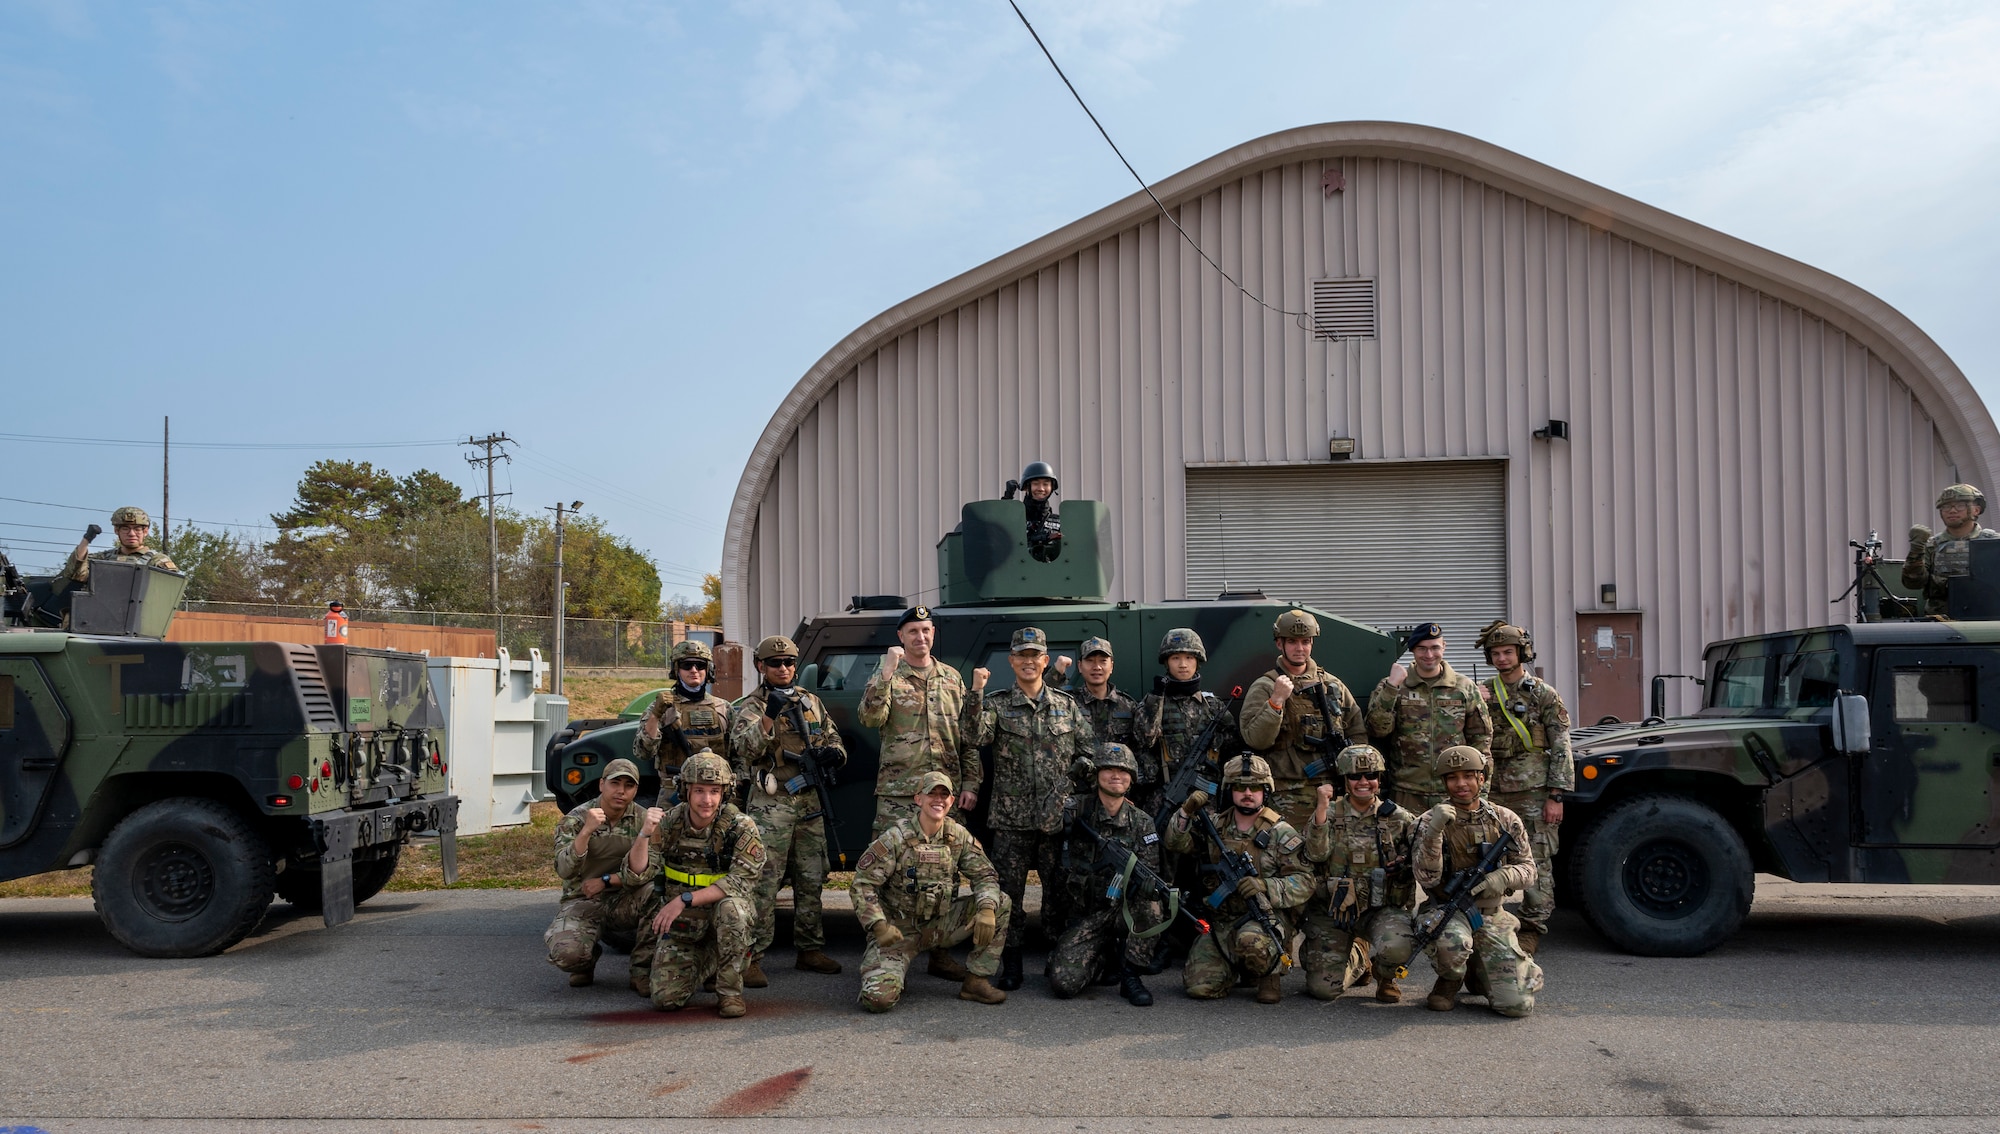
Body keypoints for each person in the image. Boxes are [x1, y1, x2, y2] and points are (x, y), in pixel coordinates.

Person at [961, 626, 1095, 990]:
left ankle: (1057, 958)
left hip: (1055, 821)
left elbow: (1088, 751)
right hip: (1011, 819)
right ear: (1012, 661)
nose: (1028, 662)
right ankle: (1012, 963)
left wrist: (1075, 778)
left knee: (1058, 895)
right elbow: (973, 736)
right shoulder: (998, 703)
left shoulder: (1066, 706)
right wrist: (976, 692)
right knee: (1009, 896)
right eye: (1021, 655)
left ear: (1045, 660)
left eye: (1035, 655)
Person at [857, 604, 978, 981]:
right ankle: (884, 949)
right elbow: (870, 718)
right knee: (889, 875)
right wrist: (887, 672)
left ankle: (940, 953)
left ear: (932, 634)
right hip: (899, 793)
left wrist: (971, 783)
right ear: (901, 637)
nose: (920, 637)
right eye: (913, 631)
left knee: (945, 873)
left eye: (926, 630)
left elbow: (968, 738)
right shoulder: (888, 675)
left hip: (944, 795)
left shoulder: (952, 679)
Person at [727, 634, 849, 983]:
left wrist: (835, 753)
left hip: (809, 800)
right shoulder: (751, 706)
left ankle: (809, 949)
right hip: (771, 804)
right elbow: (745, 749)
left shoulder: (811, 701)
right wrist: (769, 715)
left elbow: (832, 735)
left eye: (789, 662)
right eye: (775, 663)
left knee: (811, 879)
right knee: (764, 882)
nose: (784, 668)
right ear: (761, 667)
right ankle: (752, 956)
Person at [848, 772, 1011, 1012]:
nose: (938, 799)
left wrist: (986, 908)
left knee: (1001, 902)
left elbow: (985, 875)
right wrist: (878, 925)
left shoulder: (957, 836)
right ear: (918, 799)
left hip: (940, 925)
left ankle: (976, 981)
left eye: (944, 795)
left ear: (952, 801)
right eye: (931, 794)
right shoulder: (896, 838)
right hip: (898, 931)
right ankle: (891, 972)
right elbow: (863, 884)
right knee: (878, 1000)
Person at [1161, 754, 1314, 1004]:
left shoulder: (1281, 832)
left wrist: (1265, 885)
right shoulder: (1215, 827)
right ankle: (1236, 967)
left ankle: (1268, 971)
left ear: (1265, 791)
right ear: (1229, 790)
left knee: (1251, 942)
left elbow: (1306, 882)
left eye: (1254, 787)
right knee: (1199, 987)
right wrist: (1185, 813)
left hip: (1264, 920)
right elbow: (1175, 843)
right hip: (1222, 921)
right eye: (1240, 787)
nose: (1247, 793)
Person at [630, 750, 765, 1018]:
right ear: (686, 791)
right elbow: (638, 872)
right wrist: (644, 834)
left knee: (734, 911)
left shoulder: (740, 826)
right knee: (665, 1000)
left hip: (719, 915)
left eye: (714, 791)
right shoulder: (669, 822)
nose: (707, 799)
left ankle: (729, 992)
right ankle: (709, 960)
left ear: (724, 793)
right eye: (699, 790)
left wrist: (683, 899)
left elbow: (742, 879)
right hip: (685, 924)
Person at [1131, 626, 1236, 970]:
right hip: (1166, 799)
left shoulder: (1212, 705)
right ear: (1166, 662)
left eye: (1188, 658)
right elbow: (1145, 739)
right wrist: (1159, 698)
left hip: (1207, 801)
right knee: (1165, 874)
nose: (1182, 665)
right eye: (1176, 658)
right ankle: (1163, 939)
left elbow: (1233, 745)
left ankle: (1207, 939)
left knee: (1205, 870)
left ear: (1198, 662)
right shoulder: (1150, 702)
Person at [1414, 745, 1542, 1018]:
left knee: (1516, 1006)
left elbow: (1529, 870)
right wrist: (1434, 832)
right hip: (1448, 908)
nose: (1461, 784)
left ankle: (1478, 972)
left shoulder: (1505, 819)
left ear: (1481, 779)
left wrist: (1503, 876)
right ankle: (1450, 979)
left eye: (1469, 776)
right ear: (1444, 783)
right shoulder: (1428, 821)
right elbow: (1427, 877)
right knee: (1450, 944)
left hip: (1492, 914)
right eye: (1452, 778)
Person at [1475, 620, 1572, 955]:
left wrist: (1556, 795)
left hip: (1533, 790)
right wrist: (1474, 698)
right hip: (1493, 790)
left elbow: (1561, 745)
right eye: (1496, 653)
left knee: (1538, 859)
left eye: (1508, 652)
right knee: (1488, 858)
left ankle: (1532, 927)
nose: (1502, 658)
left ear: (1521, 653)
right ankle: (1492, 922)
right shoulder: (1484, 692)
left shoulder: (1543, 694)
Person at [1299, 745, 1419, 1002]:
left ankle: (1385, 975)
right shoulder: (1329, 813)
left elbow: (1420, 860)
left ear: (1379, 778)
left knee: (1398, 946)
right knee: (1323, 990)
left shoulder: (1399, 818)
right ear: (1345, 779)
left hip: (1381, 909)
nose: (1364, 782)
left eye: (1371, 775)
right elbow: (1315, 855)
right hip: (1334, 910)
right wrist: (1321, 808)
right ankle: (1358, 958)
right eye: (1355, 776)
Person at [1049, 744, 1166, 1006]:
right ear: (1097, 774)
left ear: (1132, 779)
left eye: (1123, 771)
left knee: (1151, 905)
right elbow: (1047, 821)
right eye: (1109, 769)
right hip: (1086, 913)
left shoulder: (1141, 821)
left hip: (1121, 911)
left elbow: (1150, 869)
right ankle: (1102, 957)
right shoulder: (1077, 808)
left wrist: (1145, 888)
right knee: (1063, 984)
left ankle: (1130, 975)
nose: (1117, 776)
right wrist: (1068, 779)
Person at [1238, 609, 1366, 831]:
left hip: (1334, 791)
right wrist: (1276, 700)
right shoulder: (1266, 686)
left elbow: (1357, 732)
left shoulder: (1333, 685)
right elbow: (1255, 739)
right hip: (1288, 795)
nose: (1300, 648)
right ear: (1280, 644)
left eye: (1305, 642)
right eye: (1292, 642)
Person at [544, 758, 660, 993]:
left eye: (629, 786)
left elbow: (652, 869)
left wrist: (608, 881)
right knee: (567, 955)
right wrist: (586, 832)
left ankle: (641, 971)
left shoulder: (644, 820)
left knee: (657, 895)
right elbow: (564, 869)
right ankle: (585, 960)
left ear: (636, 790)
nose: (621, 791)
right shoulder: (575, 819)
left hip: (625, 900)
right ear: (601, 785)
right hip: (582, 901)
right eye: (615, 783)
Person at [1366, 622, 1490, 814]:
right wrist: (1391, 688)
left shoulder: (1464, 687)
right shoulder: (1395, 685)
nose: (1429, 655)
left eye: (1434, 648)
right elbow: (1377, 730)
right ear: (1413, 650)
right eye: (1422, 649)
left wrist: (1481, 792)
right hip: (1407, 791)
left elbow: (1481, 741)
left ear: (1444, 647)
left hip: (1453, 790)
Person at [633, 640, 733, 789]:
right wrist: (656, 715)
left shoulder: (723, 708)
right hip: (674, 790)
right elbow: (643, 753)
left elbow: (738, 755)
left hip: (714, 793)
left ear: (709, 669)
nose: (694, 670)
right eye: (687, 665)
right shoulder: (662, 707)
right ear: (677, 669)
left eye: (700, 665)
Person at [1904, 484, 2000, 616]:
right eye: (1946, 506)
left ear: (1976, 510)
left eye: (1960, 505)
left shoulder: (1994, 542)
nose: (1952, 511)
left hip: (1987, 619)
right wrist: (1916, 549)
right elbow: (1912, 583)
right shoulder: (1931, 546)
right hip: (1941, 621)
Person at [1067, 636, 1145, 799]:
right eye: (1090, 661)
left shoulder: (1128, 706)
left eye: (1103, 661)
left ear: (1111, 667)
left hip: (1118, 796)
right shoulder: (1067, 704)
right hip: (1079, 795)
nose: (1097, 667)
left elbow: (1139, 751)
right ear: (1080, 666)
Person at [57, 506, 178, 585]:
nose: (131, 534)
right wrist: (87, 539)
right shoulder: (103, 559)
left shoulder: (158, 561)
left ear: (145, 531)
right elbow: (74, 573)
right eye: (125, 529)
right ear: (116, 531)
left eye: (137, 529)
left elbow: (169, 591)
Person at [1019, 460, 1063, 562]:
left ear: (1052, 487)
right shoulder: (1015, 519)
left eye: (1046, 484)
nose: (1041, 489)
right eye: (1035, 484)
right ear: (1026, 487)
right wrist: (1006, 501)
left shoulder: (1059, 522)